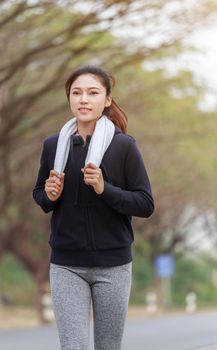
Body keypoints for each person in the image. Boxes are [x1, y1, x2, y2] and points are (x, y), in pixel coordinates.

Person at [32, 65, 154, 350]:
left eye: (92, 92)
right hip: (66, 265)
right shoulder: (53, 146)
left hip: (113, 266)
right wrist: (49, 194)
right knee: (72, 346)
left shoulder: (123, 146)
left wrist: (104, 189)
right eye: (77, 93)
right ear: (69, 98)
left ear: (107, 100)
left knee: (107, 347)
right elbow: (40, 196)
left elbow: (145, 204)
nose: (83, 99)